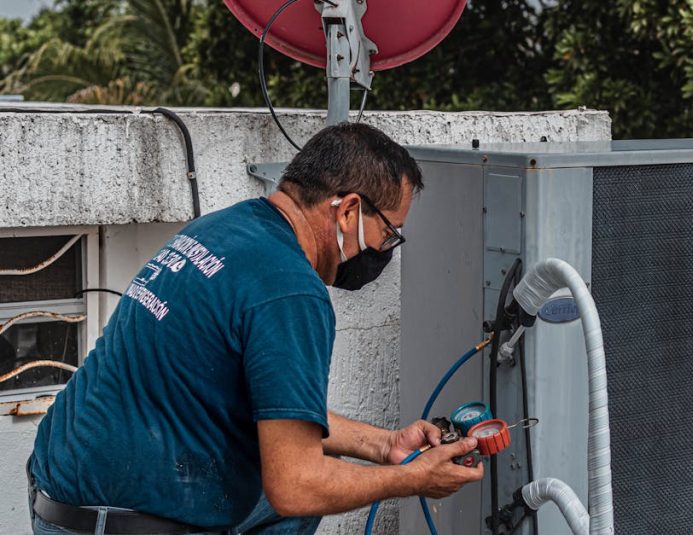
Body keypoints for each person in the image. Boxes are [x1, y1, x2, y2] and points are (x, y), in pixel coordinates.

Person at [28, 123, 483, 535]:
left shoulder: (220, 229)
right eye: (389, 232)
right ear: (347, 211)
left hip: (58, 492)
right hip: (117, 523)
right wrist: (413, 479)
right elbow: (297, 486)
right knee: (307, 488)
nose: (387, 249)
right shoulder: (291, 291)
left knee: (312, 470)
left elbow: (277, 414)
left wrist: (385, 446)